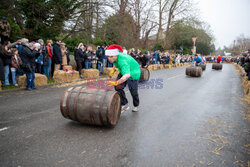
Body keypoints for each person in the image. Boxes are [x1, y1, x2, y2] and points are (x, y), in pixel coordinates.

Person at [105, 44, 141, 112]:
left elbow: (127, 75)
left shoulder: (123, 61)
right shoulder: (115, 58)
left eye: (111, 56)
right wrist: (113, 69)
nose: (109, 58)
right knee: (118, 87)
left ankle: (136, 105)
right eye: (108, 56)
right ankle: (125, 104)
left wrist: (117, 82)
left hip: (133, 73)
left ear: (116, 55)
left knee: (133, 91)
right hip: (124, 71)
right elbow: (115, 62)